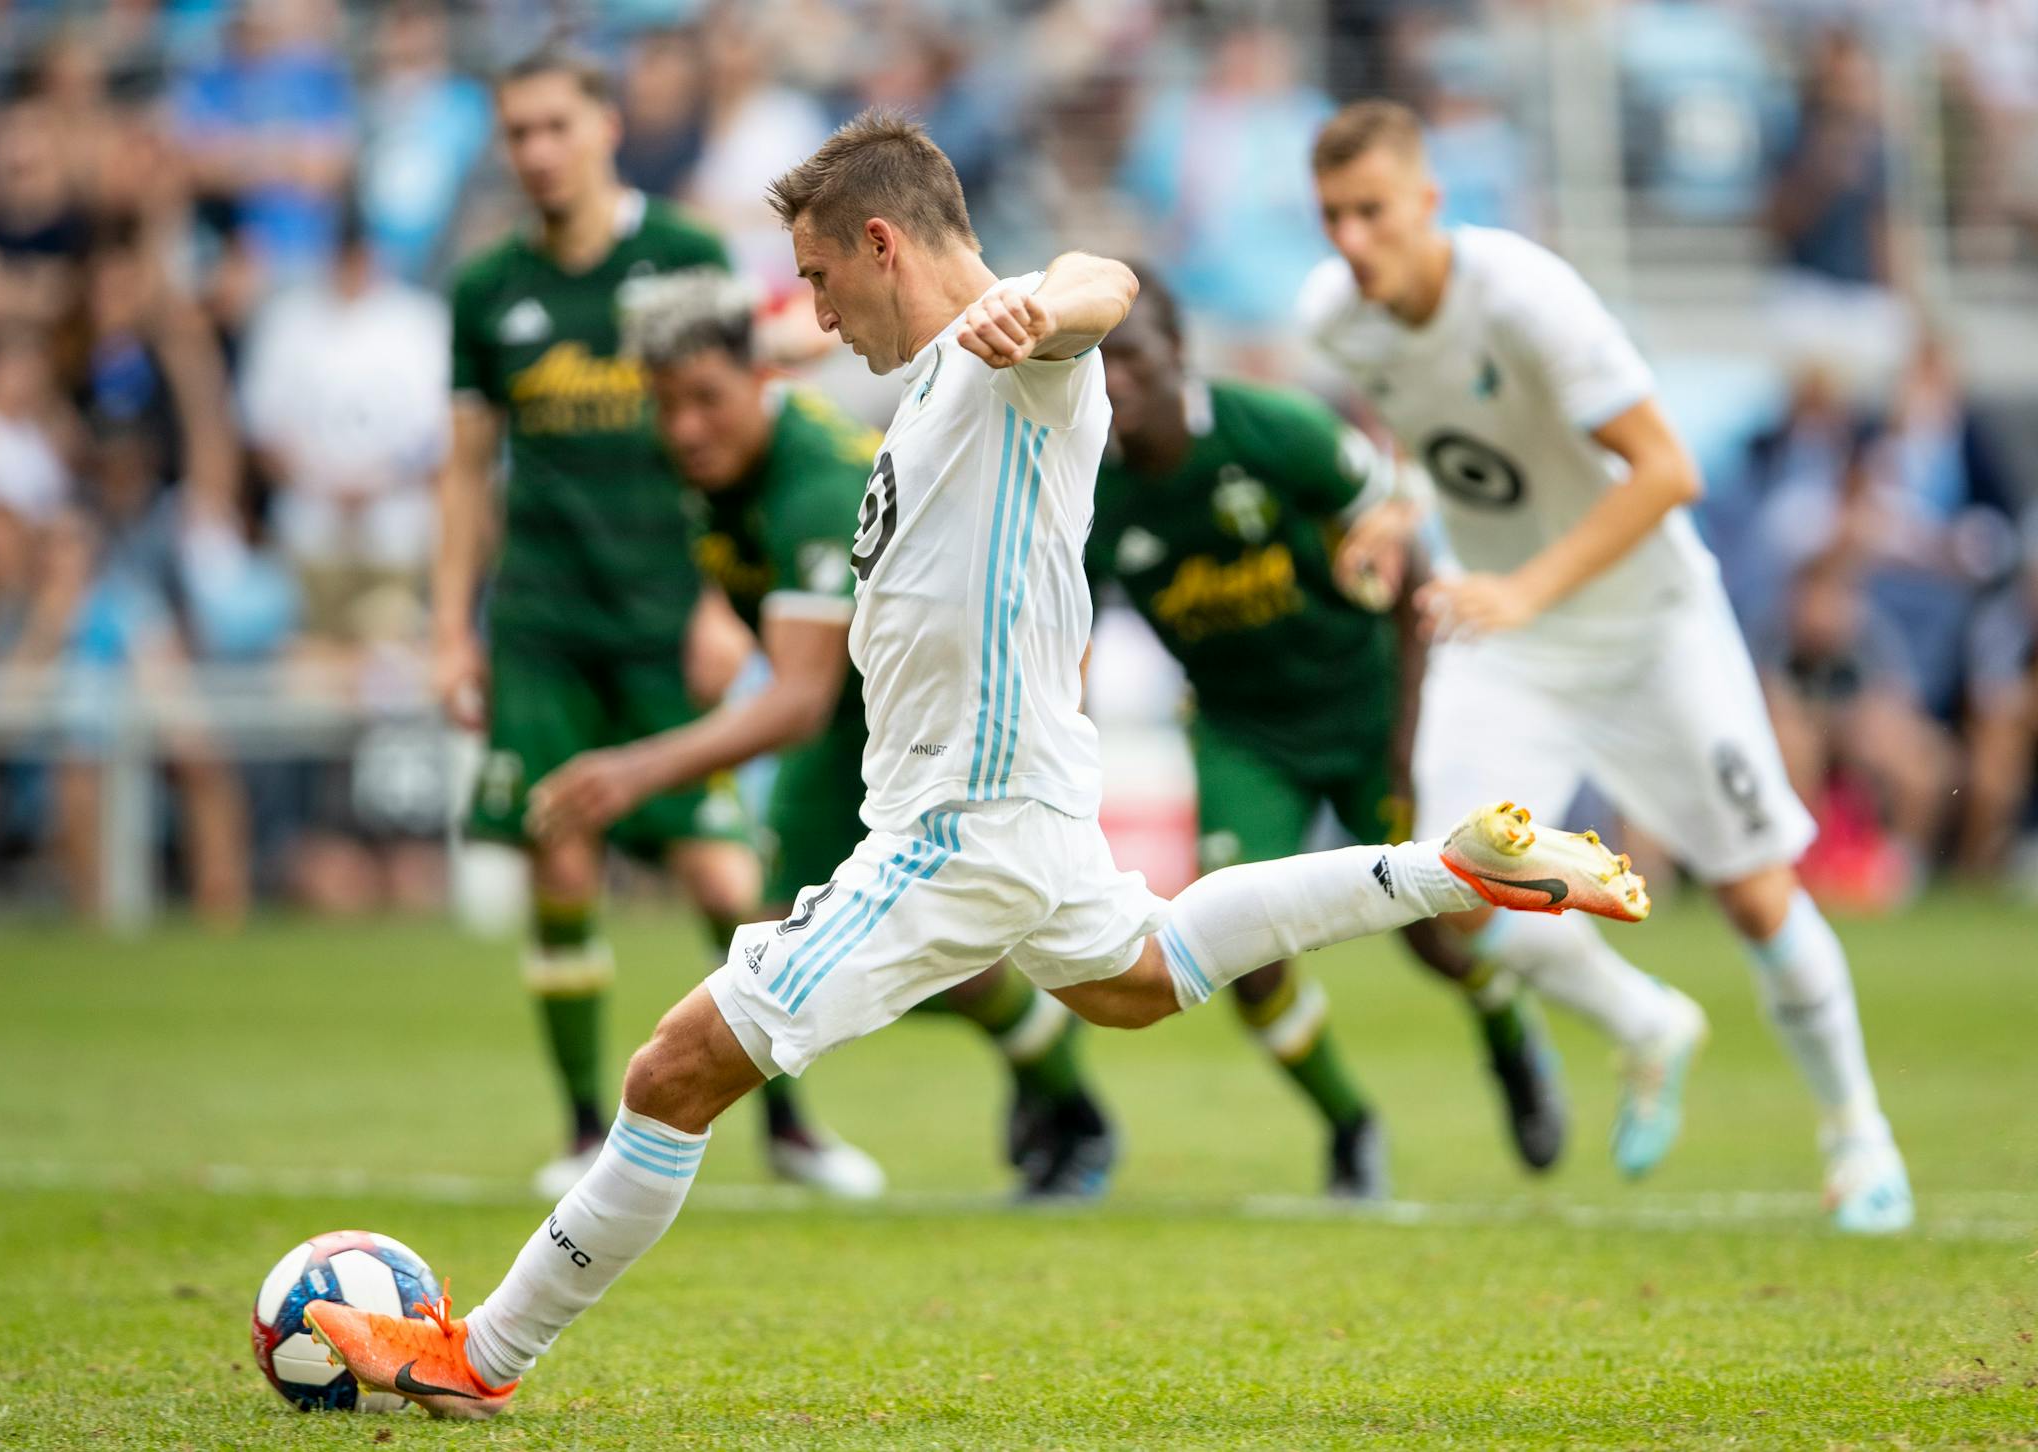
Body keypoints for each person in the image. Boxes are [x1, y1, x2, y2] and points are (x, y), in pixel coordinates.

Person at [304, 106, 1655, 1419]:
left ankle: (482, 1352)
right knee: (1141, 977)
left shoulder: (1013, 355)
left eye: (825, 279)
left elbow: (1102, 281)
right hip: (1023, 807)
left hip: (963, 821)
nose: (819, 314)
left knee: (670, 1072)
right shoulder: (937, 375)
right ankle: (1454, 868)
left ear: (887, 243)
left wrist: (1046, 307)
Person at [1303, 100, 1911, 1233]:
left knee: (1754, 894)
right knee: (1459, 894)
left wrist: (1529, 586)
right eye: (1333, 216)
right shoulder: (1336, 318)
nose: (1351, 239)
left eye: (1373, 212)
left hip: (1644, 623)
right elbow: (1443, 447)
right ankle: (1645, 1026)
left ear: (1431, 203)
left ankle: (1857, 1138)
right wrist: (1399, 512)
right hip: (1508, 637)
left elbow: (1667, 471)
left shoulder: (1527, 298)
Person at [529, 267, 1118, 1199]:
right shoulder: (721, 473)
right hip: (863, 718)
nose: (686, 428)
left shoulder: (811, 483)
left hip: (921, 725)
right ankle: (859, 1121)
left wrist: (633, 772)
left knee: (892, 954)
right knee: (791, 942)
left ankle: (1065, 1100)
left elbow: (798, 698)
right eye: (666, 406)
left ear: (760, 381)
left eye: (707, 401)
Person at [434, 50, 874, 1200]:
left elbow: (742, 402)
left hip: (663, 612)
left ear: (604, 127)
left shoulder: (678, 257)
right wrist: (449, 628)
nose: (535, 150)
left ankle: (795, 1129)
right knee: (559, 851)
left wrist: (717, 605)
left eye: (553, 126)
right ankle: (585, 1130)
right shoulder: (487, 291)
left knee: (728, 883)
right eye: (515, 131)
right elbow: (468, 470)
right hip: (542, 618)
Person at [1090, 268, 1565, 1194]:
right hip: (1242, 733)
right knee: (1239, 953)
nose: (1113, 384)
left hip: (1366, 710)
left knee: (1435, 933)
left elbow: (1409, 553)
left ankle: (1507, 1030)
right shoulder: (1089, 493)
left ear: (1177, 357)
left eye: (1133, 358)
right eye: (1097, 362)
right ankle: (1351, 1124)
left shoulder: (1277, 433)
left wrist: (1407, 740)